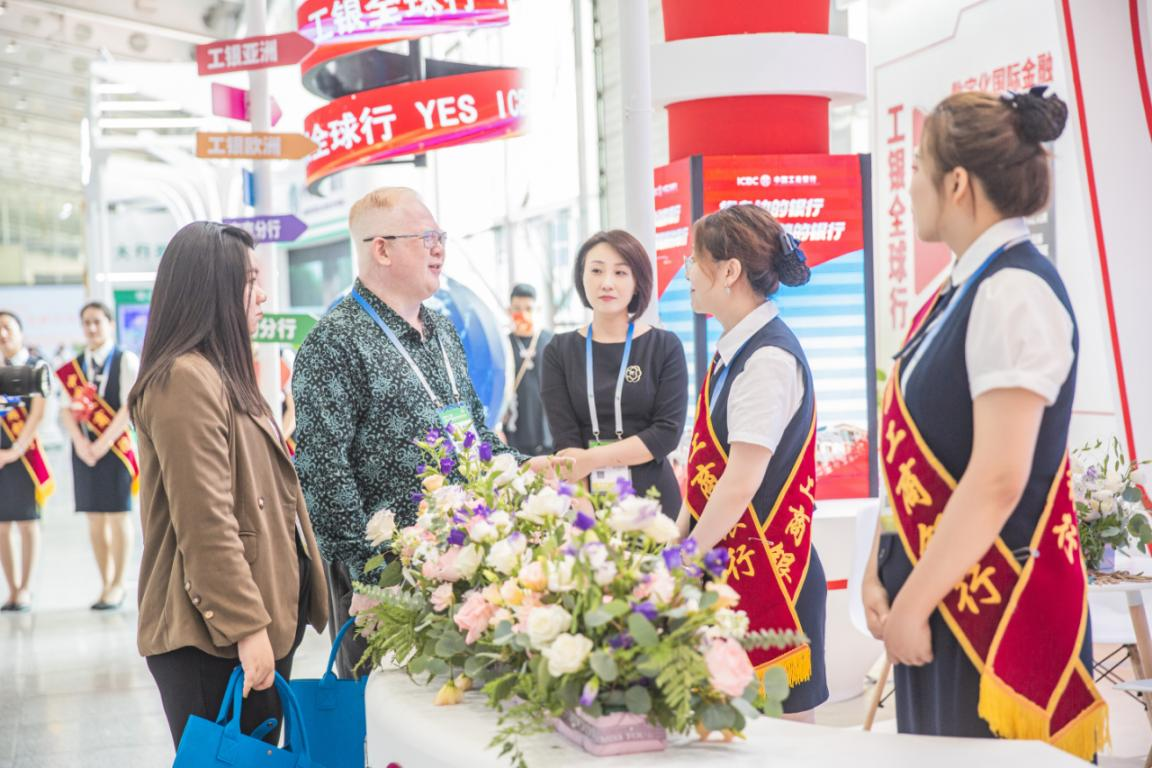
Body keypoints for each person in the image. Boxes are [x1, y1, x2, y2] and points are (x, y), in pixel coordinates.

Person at [860, 87, 1107, 759]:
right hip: (940, 598)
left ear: (958, 182)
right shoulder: (957, 291)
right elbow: (916, 453)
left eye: (917, 166)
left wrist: (912, 601)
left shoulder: (1013, 293)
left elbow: (998, 479)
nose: (908, 186)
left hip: (993, 614)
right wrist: (881, 568)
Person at [294, 188, 542, 679]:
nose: (439, 248)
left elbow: (472, 431)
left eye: (441, 236)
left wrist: (524, 467)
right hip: (384, 582)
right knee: (388, 730)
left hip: (466, 561)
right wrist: (365, 576)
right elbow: (323, 471)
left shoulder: (444, 330)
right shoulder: (334, 341)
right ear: (381, 249)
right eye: (426, 237)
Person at [129, 222, 329, 747]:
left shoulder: (221, 373)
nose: (262, 295)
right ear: (211, 291)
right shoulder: (183, 379)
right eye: (249, 281)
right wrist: (246, 627)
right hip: (209, 638)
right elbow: (206, 520)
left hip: (248, 622)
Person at [675, 204, 828, 720]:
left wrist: (685, 556)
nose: (687, 272)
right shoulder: (732, 352)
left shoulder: (767, 360)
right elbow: (704, 473)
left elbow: (740, 483)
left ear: (730, 271)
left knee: (784, 744)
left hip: (773, 584)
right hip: (728, 569)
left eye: (694, 260)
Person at [540, 230, 688, 519]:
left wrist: (590, 459)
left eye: (620, 272)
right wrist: (586, 514)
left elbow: (666, 433)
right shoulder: (559, 350)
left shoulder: (664, 346)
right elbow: (565, 437)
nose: (606, 282)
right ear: (582, 278)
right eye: (596, 270)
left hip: (654, 505)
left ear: (637, 283)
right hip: (584, 500)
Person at [57, 301, 140, 610]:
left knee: (118, 516)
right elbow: (65, 410)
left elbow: (128, 406)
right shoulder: (73, 367)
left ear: (109, 324)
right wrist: (80, 443)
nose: (92, 328)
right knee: (94, 519)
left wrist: (102, 443)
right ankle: (105, 582)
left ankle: (119, 584)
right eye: (87, 323)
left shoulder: (125, 361)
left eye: (97, 322)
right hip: (84, 450)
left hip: (115, 450)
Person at [0, 310, 53, 612]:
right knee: (3, 526)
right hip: (0, 457)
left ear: (21, 332)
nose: (2, 334)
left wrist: (14, 451)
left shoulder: (36, 367)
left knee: (28, 522)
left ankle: (26, 589)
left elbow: (37, 415)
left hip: (25, 455)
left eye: (7, 327)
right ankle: (11, 589)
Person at [502, 283, 553, 456]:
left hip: (548, 431)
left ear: (537, 310)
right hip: (515, 430)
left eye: (528, 308)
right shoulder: (504, 344)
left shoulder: (551, 341)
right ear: (509, 311)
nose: (523, 314)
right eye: (517, 308)